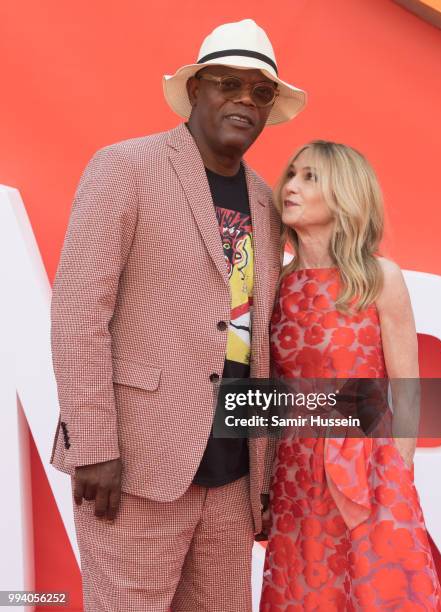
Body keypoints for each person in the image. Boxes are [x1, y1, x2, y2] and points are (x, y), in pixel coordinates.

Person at [49, 18, 306, 612]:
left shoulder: (268, 205)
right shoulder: (127, 167)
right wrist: (93, 445)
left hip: (232, 473)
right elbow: (78, 312)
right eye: (227, 83)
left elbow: (257, 340)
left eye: (260, 91)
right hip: (136, 462)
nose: (244, 99)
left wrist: (261, 478)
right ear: (196, 90)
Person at [260, 141, 441, 611]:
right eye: (292, 174)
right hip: (295, 472)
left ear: (344, 195)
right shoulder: (274, 283)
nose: (291, 186)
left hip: (370, 468)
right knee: (307, 594)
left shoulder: (379, 278)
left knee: (380, 593)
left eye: (310, 178)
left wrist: (398, 474)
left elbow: (407, 389)